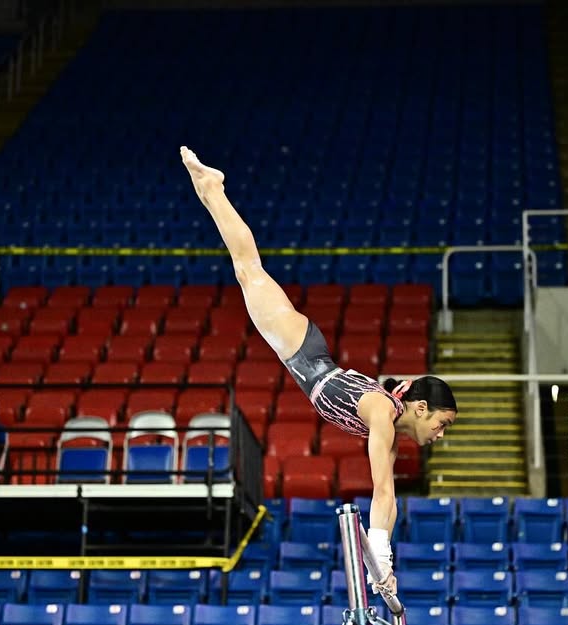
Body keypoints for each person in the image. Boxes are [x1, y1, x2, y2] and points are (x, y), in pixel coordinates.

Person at [181, 146, 457, 595]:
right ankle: (213, 188)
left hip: (305, 359)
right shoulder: (382, 413)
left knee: (248, 273)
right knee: (249, 271)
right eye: (442, 424)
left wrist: (382, 566)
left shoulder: (388, 429)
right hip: (305, 354)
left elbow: (386, 501)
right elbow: (382, 491)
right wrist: (380, 556)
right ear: (421, 407)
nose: (440, 435)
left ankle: (209, 191)